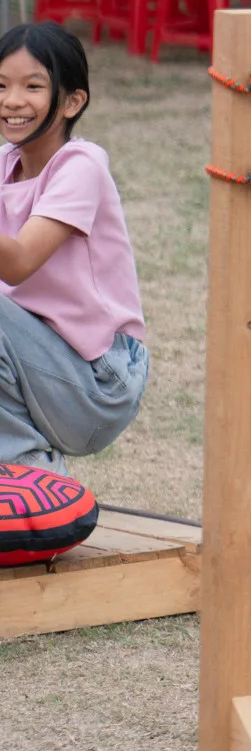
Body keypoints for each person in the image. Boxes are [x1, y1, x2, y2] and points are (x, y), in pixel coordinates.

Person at [0, 23, 148, 474]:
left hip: (102, 375)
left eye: (33, 86)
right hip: (40, 361)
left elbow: (19, 263)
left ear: (72, 101)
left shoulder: (80, 166)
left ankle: (34, 475)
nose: (11, 100)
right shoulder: (5, 163)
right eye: (1, 85)